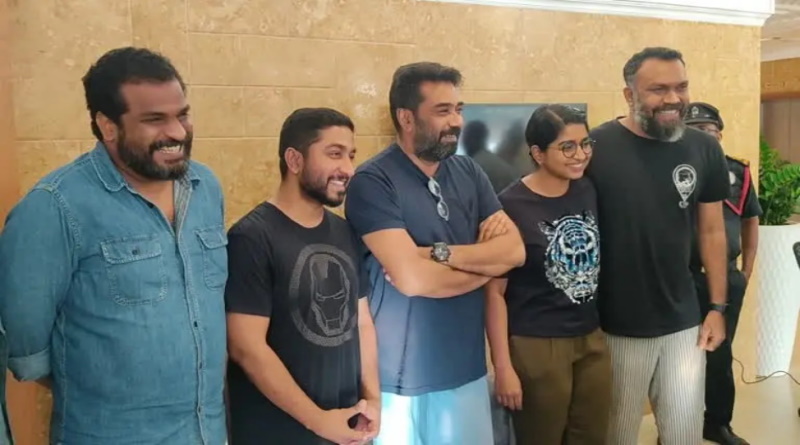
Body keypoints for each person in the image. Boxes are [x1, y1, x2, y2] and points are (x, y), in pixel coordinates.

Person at [0, 47, 228, 444]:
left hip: (206, 432)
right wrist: (114, 386)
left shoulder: (205, 186)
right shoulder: (55, 206)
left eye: (182, 115)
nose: (177, 132)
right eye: (155, 120)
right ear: (107, 126)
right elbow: (27, 345)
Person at [345, 62, 526, 445]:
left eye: (458, 109)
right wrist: (485, 264)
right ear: (406, 118)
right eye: (443, 111)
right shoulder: (373, 181)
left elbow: (514, 251)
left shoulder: (469, 172)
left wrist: (438, 255)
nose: (456, 121)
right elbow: (412, 280)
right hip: (400, 382)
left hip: (467, 369)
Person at [585, 47, 730, 445]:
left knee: (684, 434)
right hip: (615, 325)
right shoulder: (595, 148)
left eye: (681, 87)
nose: (673, 98)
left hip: (684, 322)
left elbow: (712, 232)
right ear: (629, 95)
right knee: (616, 435)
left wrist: (717, 308)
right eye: (658, 89)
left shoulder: (704, 148)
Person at [225, 108, 380, 445]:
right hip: (277, 433)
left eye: (351, 156)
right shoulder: (251, 238)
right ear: (294, 160)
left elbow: (362, 322)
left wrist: (373, 400)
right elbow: (246, 347)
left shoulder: (345, 232)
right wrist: (318, 421)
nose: (348, 169)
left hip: (345, 427)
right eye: (335, 154)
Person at [487, 104, 611, 445]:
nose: (580, 155)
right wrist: (503, 367)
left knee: (593, 436)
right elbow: (494, 293)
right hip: (537, 342)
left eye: (585, 144)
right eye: (567, 147)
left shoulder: (587, 189)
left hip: (590, 334)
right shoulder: (509, 205)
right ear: (538, 153)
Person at [684, 102, 761, 445]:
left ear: (720, 135)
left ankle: (717, 424)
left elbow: (751, 220)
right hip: (682, 278)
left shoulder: (737, 172)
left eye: (709, 131)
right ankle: (677, 426)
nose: (703, 137)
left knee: (719, 354)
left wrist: (746, 271)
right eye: (694, 131)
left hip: (725, 279)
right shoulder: (674, 172)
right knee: (679, 358)